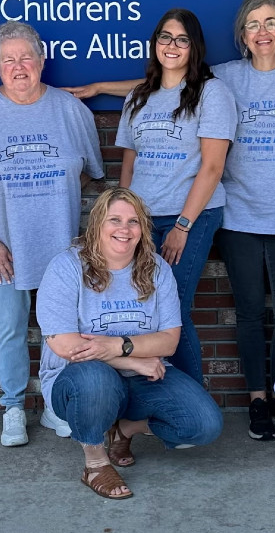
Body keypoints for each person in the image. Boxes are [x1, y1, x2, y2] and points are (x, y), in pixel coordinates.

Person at [64, 0, 275, 442]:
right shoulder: (225, 77)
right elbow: (168, 78)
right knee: (250, 312)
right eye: (254, 24)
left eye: (271, 22)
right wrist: (103, 87)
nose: (263, 31)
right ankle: (257, 400)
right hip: (238, 216)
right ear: (242, 34)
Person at [0, 20, 104, 448]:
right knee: (11, 327)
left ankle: (54, 405)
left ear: (42, 61)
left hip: (63, 246)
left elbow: (91, 175)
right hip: (7, 247)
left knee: (59, 327)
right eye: (9, 60)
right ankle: (13, 407)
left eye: (26, 57)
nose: (19, 67)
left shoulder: (69, 110)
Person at [36, 188, 223, 500]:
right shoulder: (66, 268)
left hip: (142, 378)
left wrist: (116, 347)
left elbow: (169, 341)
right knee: (95, 379)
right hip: (78, 382)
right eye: (115, 220)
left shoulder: (156, 268)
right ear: (97, 224)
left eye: (134, 221)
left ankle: (125, 429)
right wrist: (131, 358)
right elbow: (67, 346)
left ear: (143, 229)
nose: (124, 229)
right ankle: (95, 463)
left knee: (204, 424)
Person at [114, 8, 235, 384]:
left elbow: (213, 167)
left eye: (182, 39)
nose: (172, 45)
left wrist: (183, 226)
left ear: (193, 47)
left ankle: (192, 404)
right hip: (143, 220)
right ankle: (155, 399)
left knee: (172, 308)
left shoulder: (211, 92)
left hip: (190, 217)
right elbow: (129, 167)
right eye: (165, 37)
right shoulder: (137, 96)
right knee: (145, 308)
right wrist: (122, 218)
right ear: (155, 43)